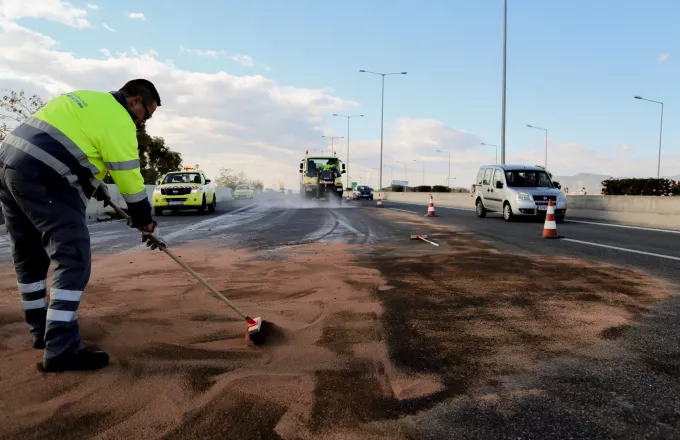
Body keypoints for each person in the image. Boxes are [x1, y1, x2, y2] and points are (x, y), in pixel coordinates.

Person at [0, 79, 167, 372]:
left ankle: (41, 331)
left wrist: (95, 182)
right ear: (135, 102)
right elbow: (130, 181)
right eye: (147, 115)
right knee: (73, 255)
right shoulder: (120, 121)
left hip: (8, 166)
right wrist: (146, 222)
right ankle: (62, 349)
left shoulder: (83, 97)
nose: (144, 123)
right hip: (45, 175)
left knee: (29, 256)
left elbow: (78, 144)